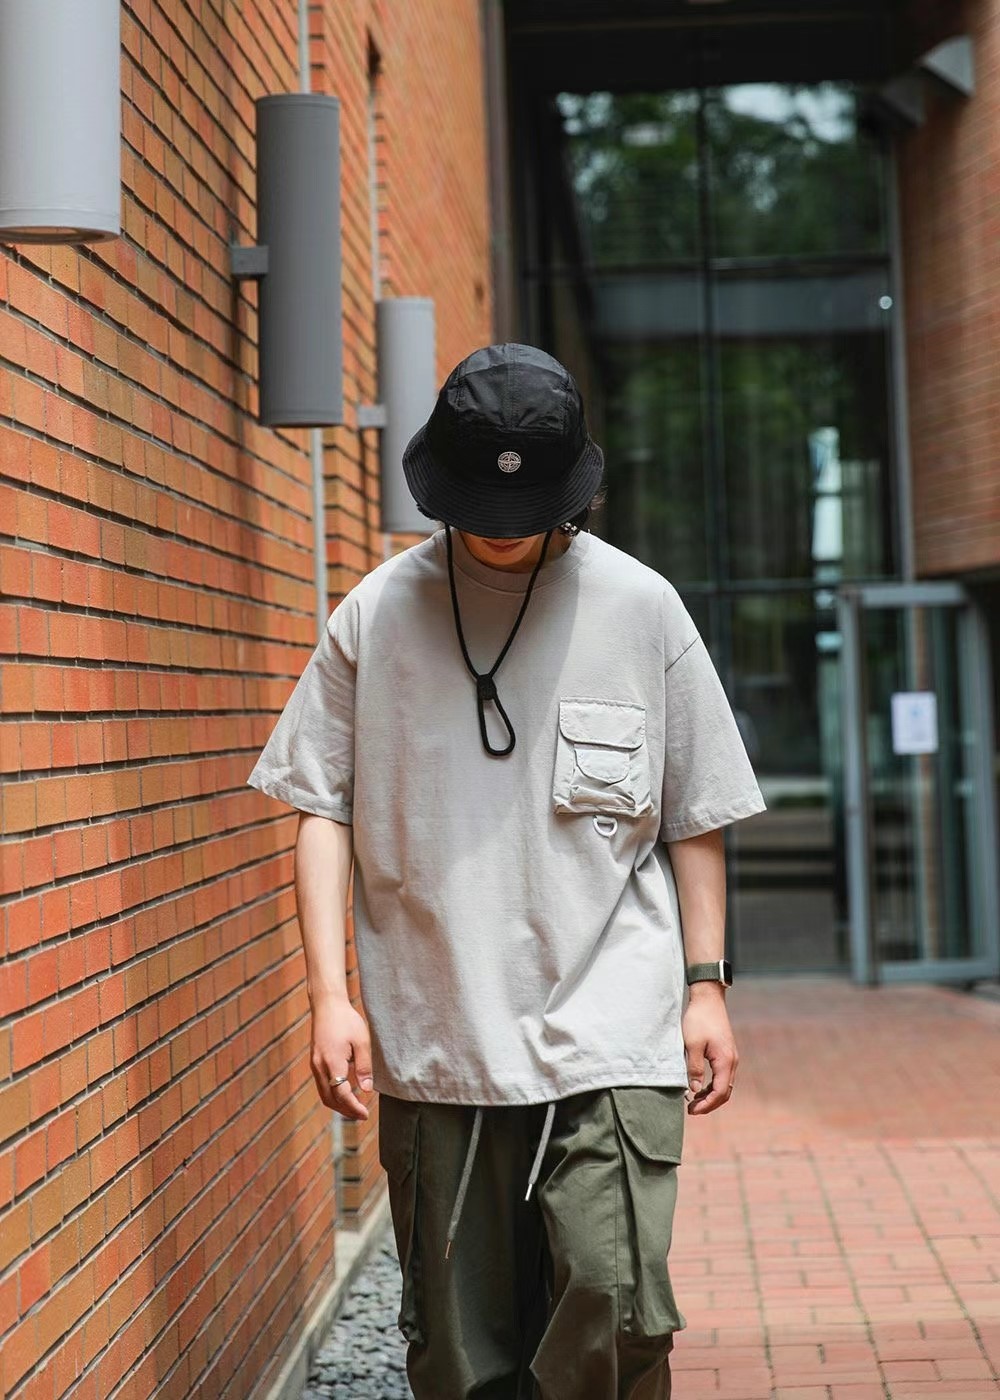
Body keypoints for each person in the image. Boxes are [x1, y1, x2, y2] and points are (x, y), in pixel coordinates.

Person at [246, 342, 766, 1400]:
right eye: (480, 500)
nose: (499, 525)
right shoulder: (375, 615)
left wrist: (705, 984)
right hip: (437, 1025)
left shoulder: (642, 607)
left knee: (611, 1294)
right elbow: (320, 806)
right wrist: (330, 997)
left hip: (613, 1019)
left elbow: (695, 812)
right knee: (458, 1345)